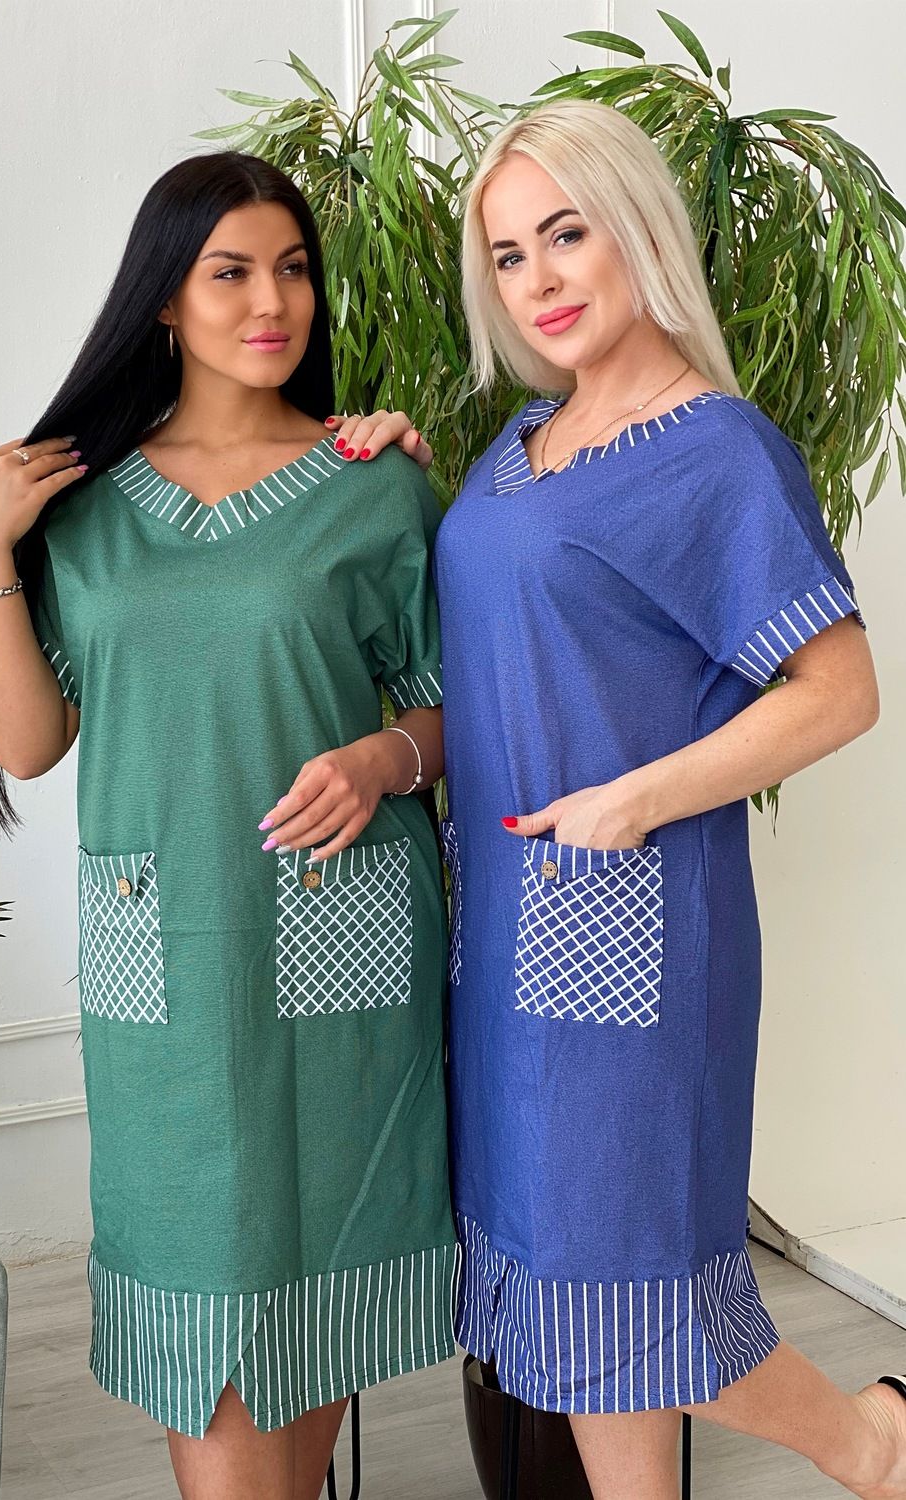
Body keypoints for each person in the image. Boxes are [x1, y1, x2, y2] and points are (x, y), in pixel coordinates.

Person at [332, 100, 906, 1500]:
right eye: (508, 254)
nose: (538, 278)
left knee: (635, 1284)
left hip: (637, 938)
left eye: (566, 234)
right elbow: (503, 638)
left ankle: (874, 1445)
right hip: (505, 940)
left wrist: (637, 801)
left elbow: (840, 692)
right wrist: (395, 466)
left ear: (638, 228)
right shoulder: (520, 440)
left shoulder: (718, 451)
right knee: (567, 1302)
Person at [0, 152, 457, 1500]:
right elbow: (27, 743)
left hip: (344, 937)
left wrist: (385, 757)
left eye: (292, 268)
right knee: (202, 1305)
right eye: (230, 271)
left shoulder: (372, 483)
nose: (271, 300)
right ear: (163, 299)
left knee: (312, 1296)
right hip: (162, 964)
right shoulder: (82, 504)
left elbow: (457, 706)